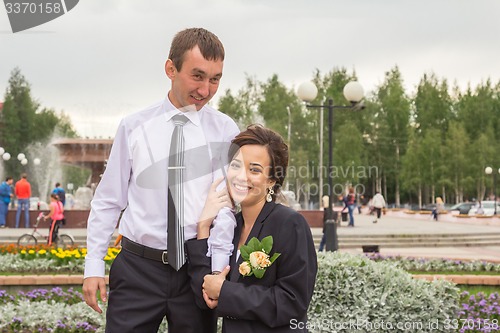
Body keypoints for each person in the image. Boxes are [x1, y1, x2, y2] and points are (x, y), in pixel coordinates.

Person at [82, 28, 239, 333]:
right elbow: (109, 200)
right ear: (170, 69)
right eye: (197, 76)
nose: (206, 90)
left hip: (196, 269)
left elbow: (228, 207)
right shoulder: (133, 127)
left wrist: (217, 270)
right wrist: (93, 266)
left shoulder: (225, 130)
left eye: (215, 78)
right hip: (137, 269)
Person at [186, 125, 318, 332]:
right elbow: (205, 296)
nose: (241, 176)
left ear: (272, 180)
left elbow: (292, 302)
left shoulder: (289, 224)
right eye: (236, 165)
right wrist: (203, 226)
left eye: (254, 169)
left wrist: (225, 291)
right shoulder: (230, 225)